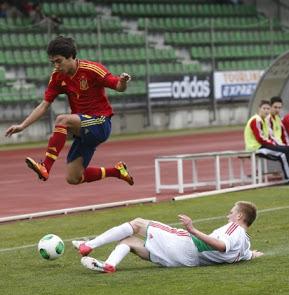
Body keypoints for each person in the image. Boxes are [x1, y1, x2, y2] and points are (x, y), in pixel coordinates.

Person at [5, 36, 134, 186]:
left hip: (100, 123)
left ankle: (45, 166)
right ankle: (117, 171)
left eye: (59, 61)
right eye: (53, 62)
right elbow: (44, 105)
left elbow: (118, 86)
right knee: (73, 178)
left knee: (62, 120)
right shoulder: (57, 76)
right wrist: (22, 126)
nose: (56, 66)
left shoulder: (92, 69)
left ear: (71, 57)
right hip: (82, 130)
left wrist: (123, 81)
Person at [72, 201, 263, 273]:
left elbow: (222, 246)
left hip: (185, 244)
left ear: (239, 216)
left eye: (231, 213)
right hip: (187, 262)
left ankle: (88, 245)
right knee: (129, 242)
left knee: (137, 223)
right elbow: (245, 255)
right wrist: (254, 255)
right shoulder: (245, 246)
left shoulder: (234, 229)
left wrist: (192, 229)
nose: (228, 216)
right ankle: (109, 265)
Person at [244, 99, 289, 180]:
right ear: (259, 108)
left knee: (286, 150)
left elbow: (269, 136)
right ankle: (288, 177)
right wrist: (274, 144)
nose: (266, 111)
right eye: (264, 108)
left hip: (262, 146)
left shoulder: (264, 120)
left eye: (268, 109)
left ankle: (287, 176)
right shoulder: (256, 120)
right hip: (256, 148)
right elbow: (260, 138)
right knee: (283, 153)